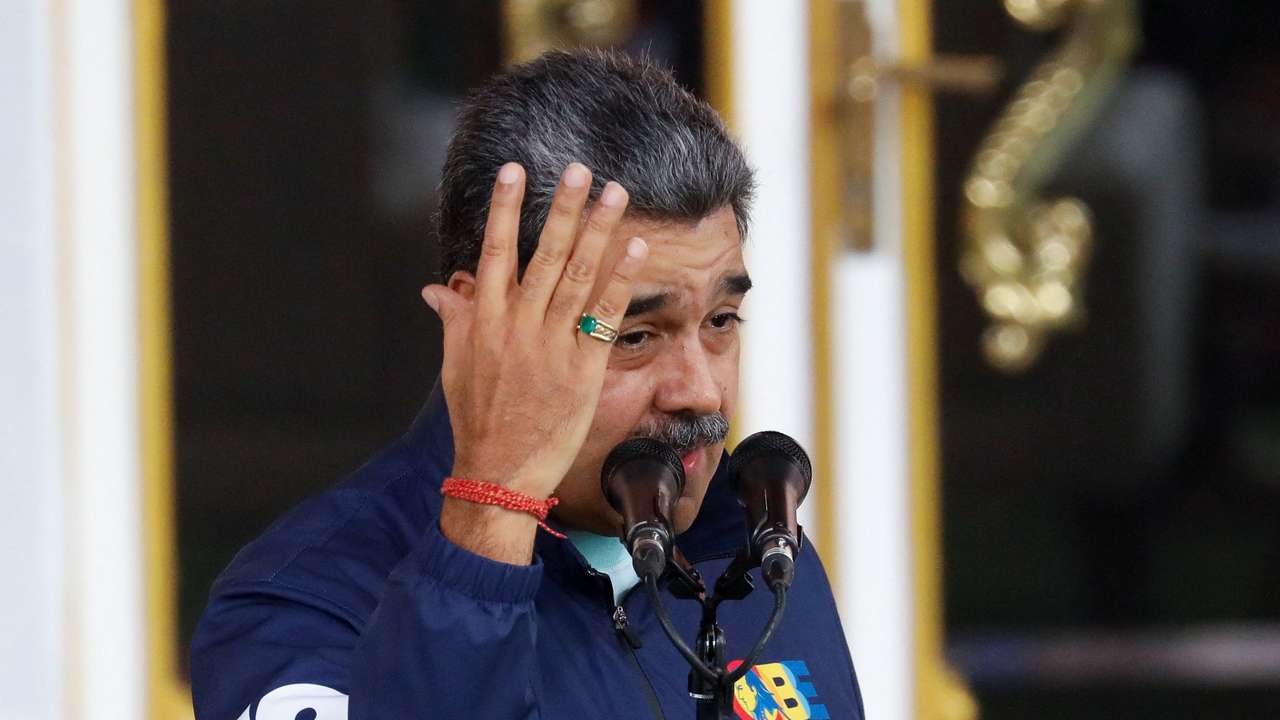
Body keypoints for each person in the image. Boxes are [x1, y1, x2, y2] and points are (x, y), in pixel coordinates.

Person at [191, 48, 865, 720]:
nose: (700, 391)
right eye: (634, 336)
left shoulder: (751, 548)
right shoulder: (306, 606)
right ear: (483, 327)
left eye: (721, 321)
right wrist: (490, 519)